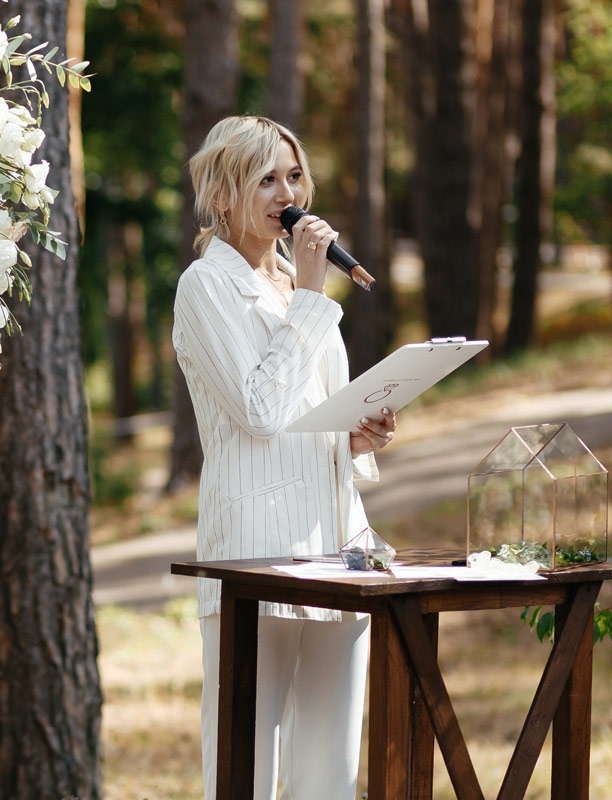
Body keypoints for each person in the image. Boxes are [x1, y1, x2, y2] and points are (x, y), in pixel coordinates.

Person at [172, 115, 397, 799]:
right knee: (244, 769)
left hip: (339, 547)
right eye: (265, 178)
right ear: (222, 193)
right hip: (255, 553)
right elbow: (259, 414)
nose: (285, 192)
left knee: (329, 774)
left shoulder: (295, 287)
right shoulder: (206, 287)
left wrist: (355, 434)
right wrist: (308, 295)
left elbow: (306, 407)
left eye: (293, 175)